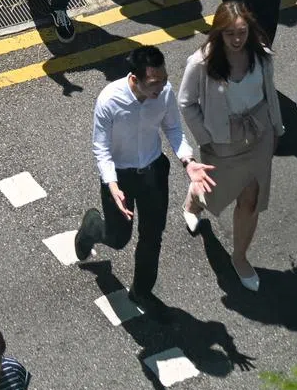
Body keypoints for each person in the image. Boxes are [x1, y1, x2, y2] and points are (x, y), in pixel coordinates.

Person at [73, 46, 215, 321]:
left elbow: (173, 128)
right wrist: (112, 185)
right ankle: (92, 226)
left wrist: (187, 160)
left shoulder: (164, 93)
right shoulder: (109, 100)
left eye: (163, 80)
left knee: (153, 235)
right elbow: (101, 149)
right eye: (154, 83)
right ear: (134, 79)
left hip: (153, 173)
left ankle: (141, 289)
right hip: (120, 178)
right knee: (118, 238)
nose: (161, 88)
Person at [178, 2, 284, 291]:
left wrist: (277, 127)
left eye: (242, 32)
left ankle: (239, 257)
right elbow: (185, 102)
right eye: (230, 34)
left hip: (258, 135)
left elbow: (269, 93)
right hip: (222, 140)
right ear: (218, 34)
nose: (237, 40)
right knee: (216, 193)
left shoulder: (260, 55)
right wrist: (206, 138)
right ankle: (194, 200)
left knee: (251, 198)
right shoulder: (201, 62)